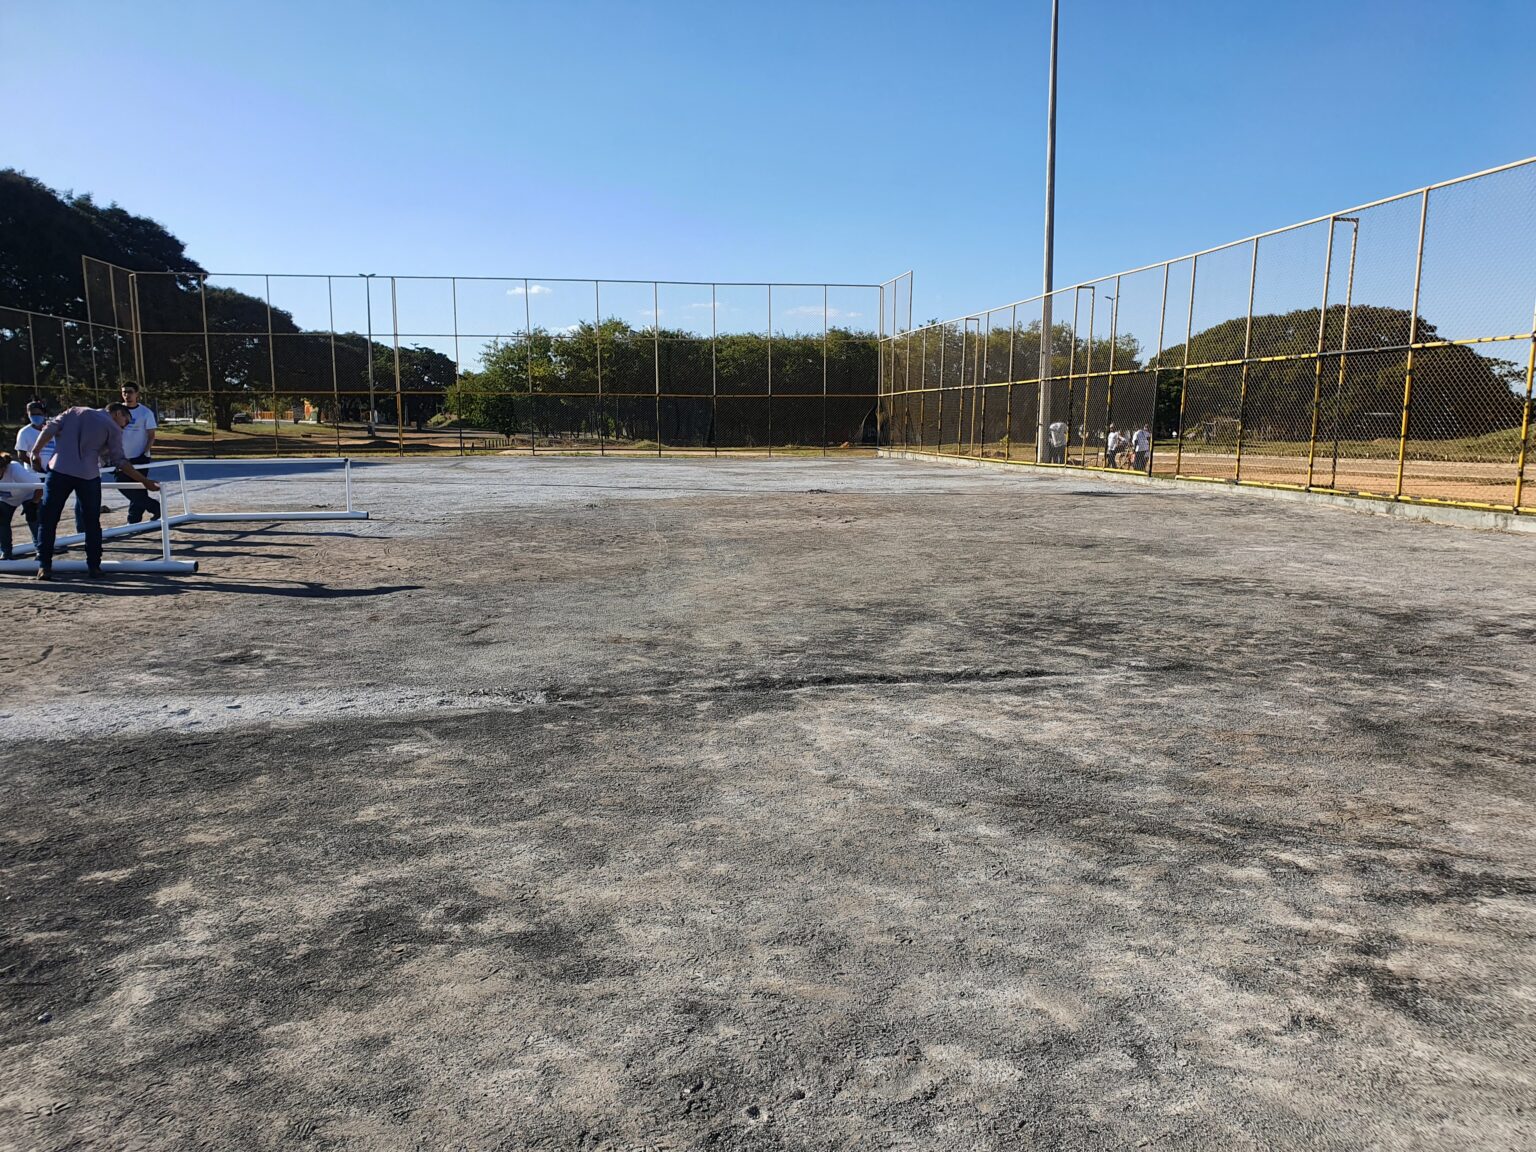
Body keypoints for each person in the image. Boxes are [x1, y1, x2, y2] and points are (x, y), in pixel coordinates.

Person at [27, 404, 160, 581]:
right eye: (125, 422)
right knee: (92, 522)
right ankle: (94, 566)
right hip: (87, 475)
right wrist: (144, 481)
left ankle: (44, 566)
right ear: (117, 413)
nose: (124, 427)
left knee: (48, 519)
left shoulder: (72, 411)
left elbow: (49, 428)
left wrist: (35, 451)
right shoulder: (112, 427)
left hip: (58, 470)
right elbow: (119, 460)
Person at [116, 383, 161, 523]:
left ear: (137, 394)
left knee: (139, 487)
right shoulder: (117, 410)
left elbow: (151, 435)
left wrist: (144, 453)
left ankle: (133, 520)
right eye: (124, 392)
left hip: (140, 457)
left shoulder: (145, 412)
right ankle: (154, 506)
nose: (127, 395)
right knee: (122, 484)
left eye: (130, 392)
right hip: (121, 457)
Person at [0, 450, 42, 560]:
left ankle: (41, 552)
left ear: (4, 468)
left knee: (33, 519)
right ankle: (6, 552)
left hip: (29, 494)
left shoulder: (15, 470)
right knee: (1, 520)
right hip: (7, 498)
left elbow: (39, 486)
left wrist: (34, 503)